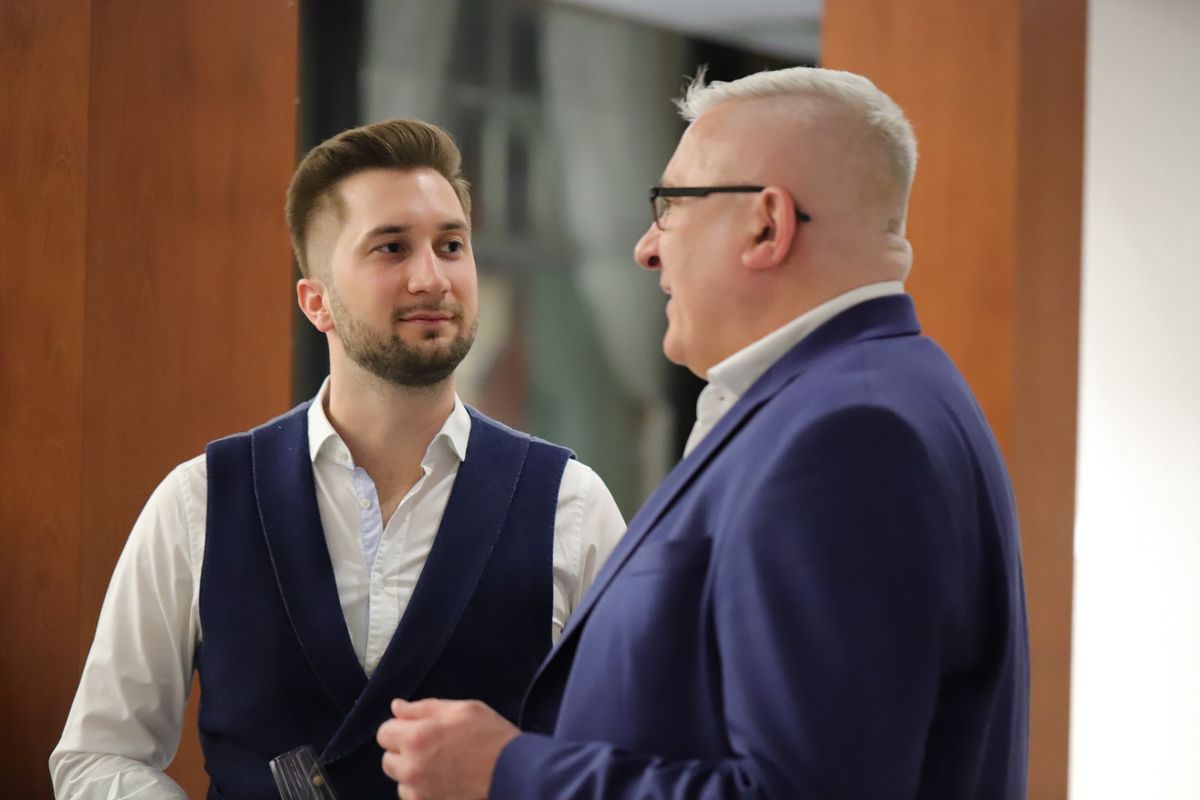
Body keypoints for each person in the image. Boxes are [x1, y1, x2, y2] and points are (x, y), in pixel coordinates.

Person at [375, 67, 1030, 799]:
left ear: (766, 225)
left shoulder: (848, 437)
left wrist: (507, 771)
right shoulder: (875, 394)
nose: (646, 248)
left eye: (671, 207)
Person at [49, 119, 626, 799]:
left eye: (451, 245)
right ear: (317, 302)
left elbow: (629, 760)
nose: (432, 278)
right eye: (391, 248)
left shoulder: (571, 506)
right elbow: (99, 756)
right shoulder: (200, 502)